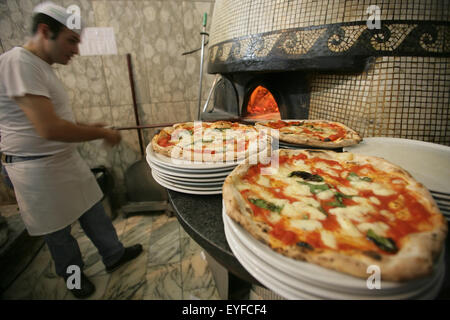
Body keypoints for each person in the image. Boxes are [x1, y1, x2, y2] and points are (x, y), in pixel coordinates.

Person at [0, 1, 142, 299]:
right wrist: (99, 132)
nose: (76, 50)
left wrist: (91, 125)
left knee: (93, 210)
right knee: (59, 233)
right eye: (72, 41)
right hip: (34, 168)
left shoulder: (41, 66)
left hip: (62, 158)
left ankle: (114, 255)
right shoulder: (18, 62)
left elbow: (55, 119)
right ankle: (74, 278)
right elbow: (47, 128)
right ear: (44, 31)